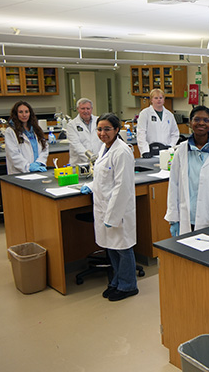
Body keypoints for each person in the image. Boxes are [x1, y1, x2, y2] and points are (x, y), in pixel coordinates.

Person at [80, 113, 138, 301]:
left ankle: (128, 285)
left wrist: (113, 216)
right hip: (104, 206)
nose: (102, 133)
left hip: (118, 209)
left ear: (116, 129)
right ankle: (116, 282)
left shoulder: (121, 151)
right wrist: (90, 186)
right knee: (111, 247)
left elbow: (122, 186)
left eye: (107, 129)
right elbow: (103, 177)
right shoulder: (105, 147)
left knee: (122, 247)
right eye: (99, 129)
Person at [165, 106, 209, 236]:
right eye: (197, 119)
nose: (201, 123)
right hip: (185, 217)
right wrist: (173, 219)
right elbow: (174, 185)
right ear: (190, 122)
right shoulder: (181, 151)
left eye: (206, 120)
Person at [4, 100, 49, 174]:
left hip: (37, 170)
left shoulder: (36, 129)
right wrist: (28, 167)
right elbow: (13, 154)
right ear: (16, 114)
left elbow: (45, 148)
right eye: (21, 112)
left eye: (26, 112)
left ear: (30, 113)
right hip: (20, 172)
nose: (24, 115)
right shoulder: (11, 131)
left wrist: (39, 163)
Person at [136, 88, 179, 158]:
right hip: (150, 152)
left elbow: (175, 133)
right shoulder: (145, 113)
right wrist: (145, 151)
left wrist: (170, 146)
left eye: (161, 98)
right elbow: (141, 133)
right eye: (156, 98)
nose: (159, 100)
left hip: (166, 151)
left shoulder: (169, 115)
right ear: (151, 100)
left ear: (164, 99)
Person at [66, 98, 102, 165]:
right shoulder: (71, 125)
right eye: (83, 108)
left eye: (88, 108)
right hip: (80, 163)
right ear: (78, 109)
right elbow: (76, 145)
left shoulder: (99, 121)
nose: (86, 111)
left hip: (99, 161)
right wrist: (92, 158)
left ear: (91, 109)